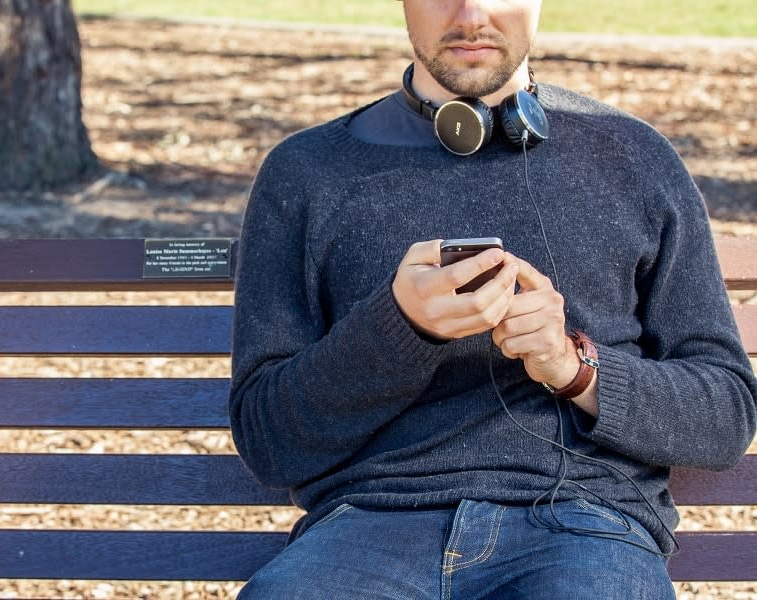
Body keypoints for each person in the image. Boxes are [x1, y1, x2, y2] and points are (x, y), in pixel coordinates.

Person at [228, 1, 757, 598]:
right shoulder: (305, 173)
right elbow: (268, 440)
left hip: (582, 525)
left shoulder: (635, 158)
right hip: (365, 529)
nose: (471, 12)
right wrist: (400, 328)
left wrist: (572, 367)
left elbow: (725, 415)